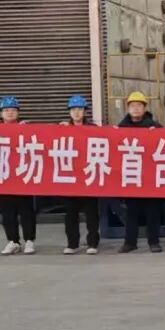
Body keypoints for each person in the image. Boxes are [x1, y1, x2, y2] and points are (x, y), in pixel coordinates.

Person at [118, 91, 164, 254]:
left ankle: (154, 241)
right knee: (131, 211)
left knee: (152, 211)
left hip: (150, 177)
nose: (136, 108)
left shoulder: (154, 127)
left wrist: (157, 133)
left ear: (144, 108)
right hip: (131, 176)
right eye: (133, 105)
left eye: (139, 105)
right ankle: (130, 242)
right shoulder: (121, 128)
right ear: (128, 108)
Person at [60, 95, 100, 255]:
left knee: (91, 214)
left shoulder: (94, 129)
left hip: (89, 176)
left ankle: (92, 243)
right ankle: (72, 243)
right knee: (71, 214)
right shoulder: (62, 129)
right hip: (70, 178)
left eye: (80, 109)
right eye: (73, 109)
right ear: (69, 112)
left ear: (85, 111)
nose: (76, 112)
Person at [0, 96, 37, 255]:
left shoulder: (26, 128)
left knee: (26, 210)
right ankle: (13, 241)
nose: (10, 113)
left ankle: (29, 240)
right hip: (2, 177)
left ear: (18, 112)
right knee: (7, 212)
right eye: (6, 110)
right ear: (1, 113)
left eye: (13, 110)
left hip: (22, 175)